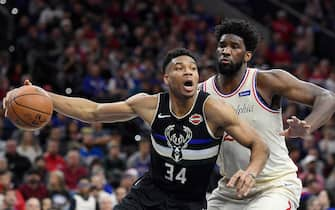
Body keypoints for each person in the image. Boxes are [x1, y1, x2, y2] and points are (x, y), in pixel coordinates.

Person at [4, 48, 269, 210]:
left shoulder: (213, 110)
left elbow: (260, 146)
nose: (189, 72)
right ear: (167, 78)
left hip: (188, 202)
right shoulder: (149, 105)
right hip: (149, 193)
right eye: (180, 68)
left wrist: (251, 171)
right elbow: (93, 111)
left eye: (193, 68)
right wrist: (44, 96)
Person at [200, 19, 335, 210]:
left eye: (234, 46)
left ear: (247, 55)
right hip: (231, 189)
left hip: (274, 186)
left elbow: (327, 97)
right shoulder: (202, 93)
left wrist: (308, 126)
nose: (226, 50)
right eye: (222, 45)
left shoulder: (265, 81)